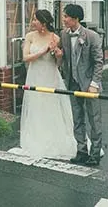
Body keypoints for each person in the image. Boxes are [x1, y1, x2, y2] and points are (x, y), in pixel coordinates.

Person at [18, 9, 77, 160]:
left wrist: (58, 55)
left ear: (43, 23)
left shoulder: (55, 38)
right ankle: (36, 137)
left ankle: (53, 137)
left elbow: (58, 64)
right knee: (36, 104)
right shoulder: (30, 36)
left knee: (50, 105)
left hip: (50, 75)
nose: (33, 22)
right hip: (35, 75)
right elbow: (26, 58)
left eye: (35, 20)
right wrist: (44, 51)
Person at [59, 3, 104, 166]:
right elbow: (63, 57)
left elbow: (99, 62)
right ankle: (81, 150)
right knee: (77, 119)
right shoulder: (64, 35)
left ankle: (95, 153)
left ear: (75, 18)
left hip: (89, 83)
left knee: (94, 119)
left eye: (66, 16)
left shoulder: (91, 36)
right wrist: (57, 54)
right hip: (72, 83)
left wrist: (94, 83)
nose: (63, 19)